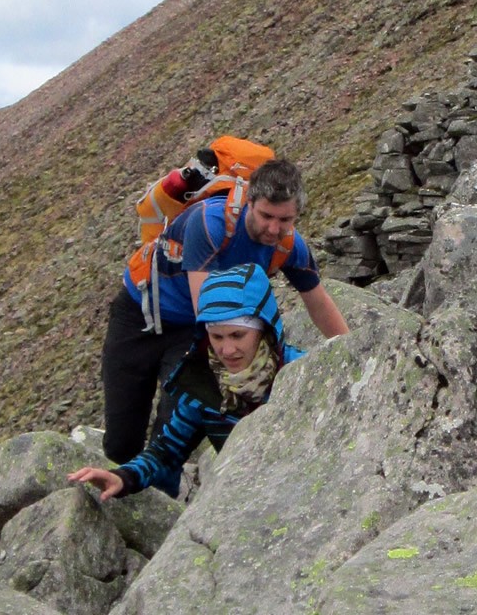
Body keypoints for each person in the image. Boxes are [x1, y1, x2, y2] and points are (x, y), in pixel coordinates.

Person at [99, 158, 348, 465]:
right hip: (140, 316)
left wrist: (352, 349)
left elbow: (318, 300)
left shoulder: (289, 246)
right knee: (122, 438)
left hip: (192, 328)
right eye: (266, 215)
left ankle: (163, 490)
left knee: (174, 420)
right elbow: (207, 308)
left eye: (285, 220)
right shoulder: (211, 223)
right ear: (250, 202)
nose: (274, 228)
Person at [72, 263, 303, 499]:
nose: (227, 349)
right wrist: (122, 477)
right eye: (216, 336)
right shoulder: (203, 385)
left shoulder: (304, 373)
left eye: (237, 335)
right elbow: (166, 451)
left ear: (264, 330)